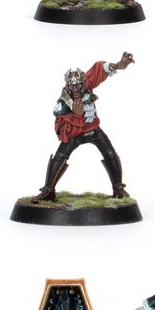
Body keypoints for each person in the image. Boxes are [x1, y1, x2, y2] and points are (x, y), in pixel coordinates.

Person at [34, 52, 135, 202]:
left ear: (83, 82)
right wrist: (76, 116)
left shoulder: (86, 84)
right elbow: (60, 128)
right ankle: (48, 190)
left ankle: (118, 188)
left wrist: (118, 65)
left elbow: (98, 69)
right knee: (60, 156)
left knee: (110, 154)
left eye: (79, 84)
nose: (76, 88)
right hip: (74, 135)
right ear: (67, 85)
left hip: (95, 131)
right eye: (72, 85)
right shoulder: (63, 102)